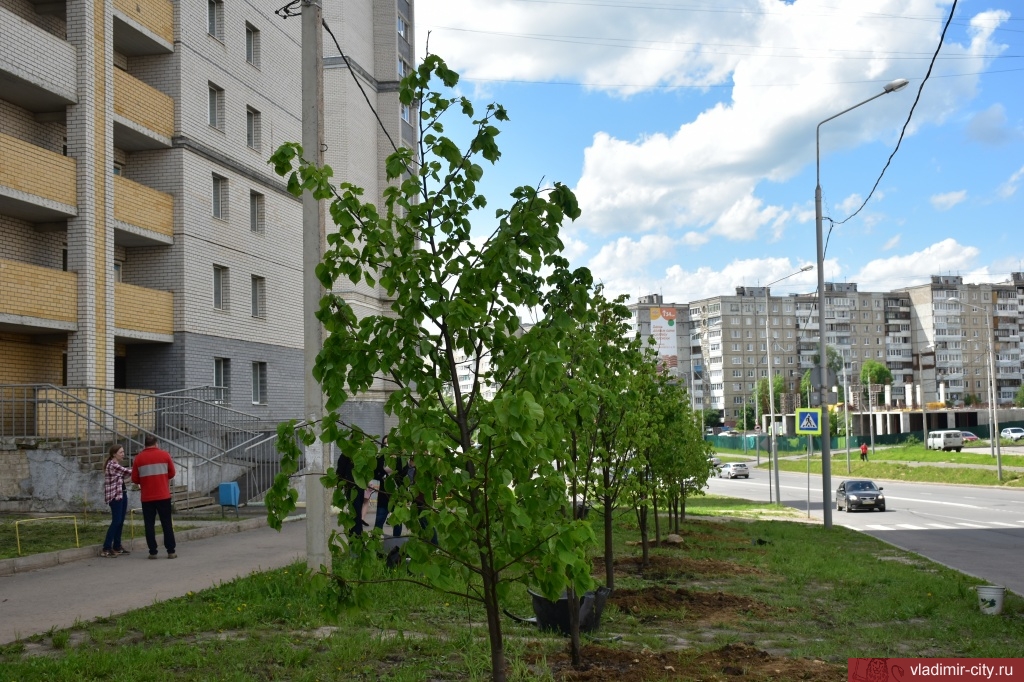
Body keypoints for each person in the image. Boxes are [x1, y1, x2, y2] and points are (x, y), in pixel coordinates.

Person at [131, 434, 177, 559]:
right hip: (163, 495)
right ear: (156, 444)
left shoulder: (138, 459)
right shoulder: (165, 455)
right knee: (166, 523)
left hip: (147, 497)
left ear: (144, 445)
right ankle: (171, 551)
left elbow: (134, 479)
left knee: (149, 524)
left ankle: (153, 551)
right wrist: (161, 478)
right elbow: (172, 473)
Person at [101, 444, 132, 558]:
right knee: (116, 521)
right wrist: (139, 468)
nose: (123, 454)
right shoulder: (113, 465)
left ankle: (117, 546)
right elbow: (128, 472)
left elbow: (123, 480)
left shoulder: (116, 465)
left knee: (120, 521)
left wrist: (131, 479)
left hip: (122, 494)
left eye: (123, 452)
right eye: (120, 452)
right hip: (115, 496)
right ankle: (106, 547)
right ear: (114, 454)